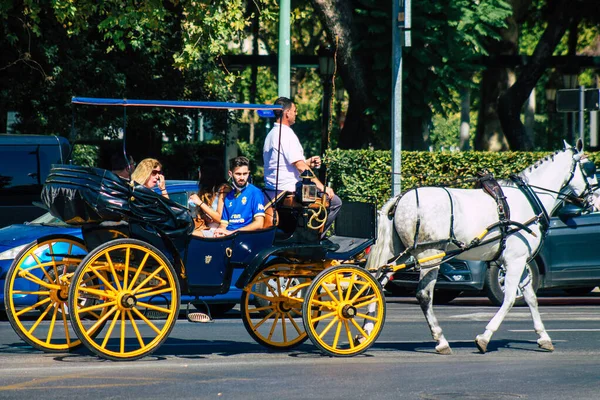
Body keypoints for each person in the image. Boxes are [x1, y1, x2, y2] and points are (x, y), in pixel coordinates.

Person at [263, 96, 342, 237]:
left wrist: (308, 163)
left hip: (273, 190)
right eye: (294, 110)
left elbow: (284, 163)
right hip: (288, 189)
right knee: (335, 201)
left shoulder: (271, 134)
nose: (296, 113)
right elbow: (299, 166)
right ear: (287, 113)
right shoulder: (287, 134)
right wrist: (323, 187)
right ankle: (316, 238)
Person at [214, 156, 265, 237]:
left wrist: (234, 232)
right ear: (230, 174)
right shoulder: (228, 196)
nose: (242, 178)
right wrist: (220, 231)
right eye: (238, 174)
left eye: (245, 174)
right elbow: (224, 223)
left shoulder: (255, 193)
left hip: (243, 237)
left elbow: (259, 223)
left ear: (249, 173)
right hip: (228, 237)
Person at [189, 166, 230, 237]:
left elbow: (219, 218)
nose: (199, 173)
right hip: (207, 228)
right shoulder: (208, 190)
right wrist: (205, 216)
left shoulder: (224, 189)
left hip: (218, 231)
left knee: (189, 235)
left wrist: (200, 203)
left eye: (200, 170)